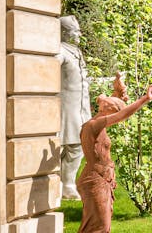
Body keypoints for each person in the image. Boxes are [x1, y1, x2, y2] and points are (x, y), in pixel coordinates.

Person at [77, 73, 152, 233]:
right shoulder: (93, 125)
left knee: (101, 224)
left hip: (102, 177)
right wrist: (144, 99)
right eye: (114, 110)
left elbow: (117, 103)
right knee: (97, 226)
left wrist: (119, 86)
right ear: (108, 110)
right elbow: (122, 114)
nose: (115, 117)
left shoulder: (98, 123)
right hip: (95, 179)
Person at [58, 15, 91, 199]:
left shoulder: (75, 51)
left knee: (77, 145)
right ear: (64, 33)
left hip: (80, 107)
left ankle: (65, 183)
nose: (79, 34)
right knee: (69, 145)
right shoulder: (60, 51)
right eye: (75, 31)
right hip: (67, 107)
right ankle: (66, 184)